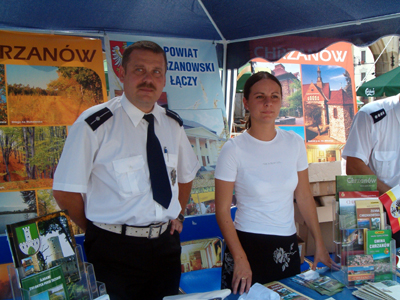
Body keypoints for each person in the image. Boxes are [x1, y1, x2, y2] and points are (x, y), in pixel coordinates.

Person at [52, 40, 200, 300]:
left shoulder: (172, 124)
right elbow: (65, 192)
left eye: (156, 72)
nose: (148, 79)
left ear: (164, 79)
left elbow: (185, 176)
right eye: (139, 70)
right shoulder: (94, 125)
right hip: (114, 250)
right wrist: (96, 230)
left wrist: (178, 217)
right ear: (122, 74)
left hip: (166, 246)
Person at [214, 72, 334, 295]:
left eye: (275, 96)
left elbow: (305, 196)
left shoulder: (295, 143)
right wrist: (239, 258)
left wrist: (319, 243)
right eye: (260, 97)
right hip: (247, 247)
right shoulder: (233, 149)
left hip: (286, 246)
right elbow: (221, 211)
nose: (268, 103)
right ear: (246, 103)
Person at [342, 94, 400, 246]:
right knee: (384, 266)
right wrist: (395, 199)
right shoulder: (371, 115)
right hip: (381, 215)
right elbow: (354, 166)